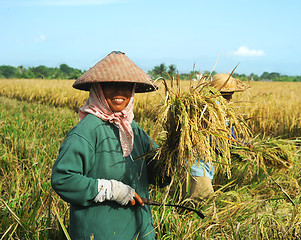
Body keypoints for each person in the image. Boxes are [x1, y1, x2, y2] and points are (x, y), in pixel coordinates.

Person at [51, 51, 169, 240]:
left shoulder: (134, 130)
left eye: (126, 86)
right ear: (98, 89)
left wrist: (174, 155)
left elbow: (158, 176)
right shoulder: (87, 131)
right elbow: (63, 179)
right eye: (111, 84)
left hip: (139, 228)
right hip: (100, 231)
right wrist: (109, 190)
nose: (119, 91)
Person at [185, 73, 249, 201]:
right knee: (203, 203)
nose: (230, 97)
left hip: (203, 165)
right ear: (218, 93)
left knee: (193, 204)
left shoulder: (222, 112)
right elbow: (214, 139)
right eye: (227, 94)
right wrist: (234, 149)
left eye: (231, 94)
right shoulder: (205, 110)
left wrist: (241, 146)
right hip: (196, 164)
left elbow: (228, 136)